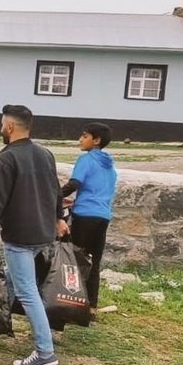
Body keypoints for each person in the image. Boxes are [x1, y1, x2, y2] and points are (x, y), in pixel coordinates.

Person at [0, 104, 67, 365]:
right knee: (14, 282)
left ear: (11, 127)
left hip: (20, 236)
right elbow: (56, 190)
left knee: (26, 292)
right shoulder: (45, 154)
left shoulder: (7, 158)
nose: (0, 128)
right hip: (43, 232)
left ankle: (44, 351)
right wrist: (59, 217)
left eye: (2, 124)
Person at [61, 122, 117, 311]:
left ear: (96, 140)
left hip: (84, 216)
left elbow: (74, 184)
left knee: (76, 259)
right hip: (103, 217)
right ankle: (91, 305)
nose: (80, 139)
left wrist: (54, 195)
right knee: (94, 261)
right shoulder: (109, 164)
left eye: (84, 136)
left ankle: (72, 301)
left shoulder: (86, 160)